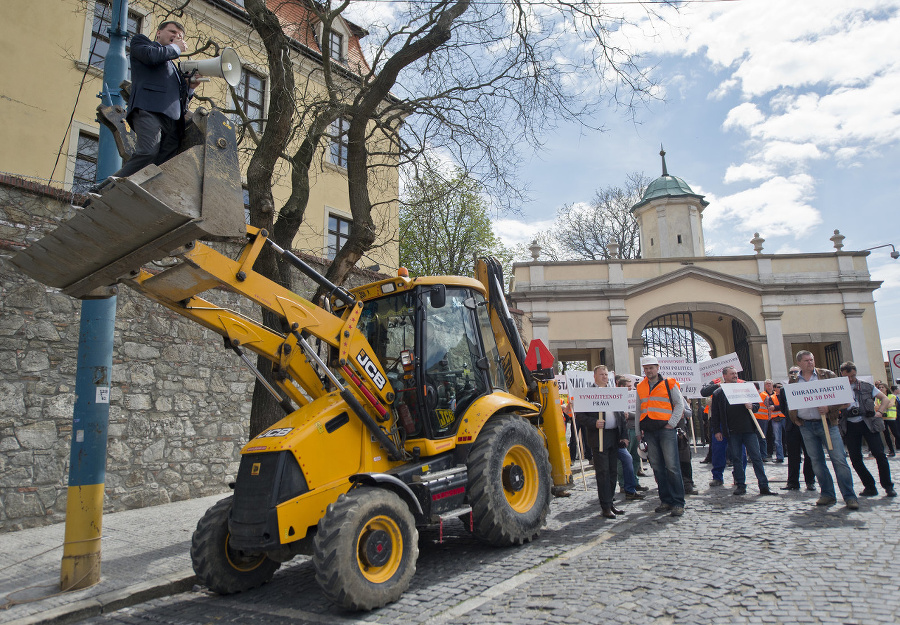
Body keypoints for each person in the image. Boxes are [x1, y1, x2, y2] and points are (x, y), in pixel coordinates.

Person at [103, 21, 200, 184]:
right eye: (173, 32)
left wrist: (190, 88)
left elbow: (181, 100)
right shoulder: (142, 43)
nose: (177, 36)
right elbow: (151, 56)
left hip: (173, 121)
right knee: (148, 152)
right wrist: (175, 49)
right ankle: (108, 188)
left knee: (162, 166)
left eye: (181, 36)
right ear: (159, 33)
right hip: (149, 109)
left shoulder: (174, 68)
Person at [788, 351, 858, 510]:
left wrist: (829, 407)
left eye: (811, 359)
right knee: (817, 462)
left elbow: (845, 400)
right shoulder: (793, 380)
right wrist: (795, 419)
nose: (810, 362)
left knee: (839, 460)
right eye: (806, 360)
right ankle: (827, 494)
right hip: (806, 425)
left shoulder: (827, 375)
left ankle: (849, 496)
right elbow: (792, 402)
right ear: (799, 363)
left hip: (827, 424)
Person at [709, 366, 778, 497]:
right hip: (732, 431)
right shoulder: (719, 393)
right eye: (732, 374)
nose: (735, 375)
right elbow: (716, 414)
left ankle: (763, 486)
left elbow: (757, 406)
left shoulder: (746, 388)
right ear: (725, 376)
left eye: (735, 373)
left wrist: (752, 406)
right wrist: (717, 430)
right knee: (736, 459)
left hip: (749, 430)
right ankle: (740, 485)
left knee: (756, 458)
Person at [575, 366, 629, 519]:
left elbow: (621, 415)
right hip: (599, 437)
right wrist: (594, 422)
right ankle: (605, 506)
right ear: (595, 377)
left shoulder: (615, 392)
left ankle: (611, 502)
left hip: (614, 435)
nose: (605, 377)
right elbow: (580, 416)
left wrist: (624, 435)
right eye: (602, 374)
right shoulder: (588, 393)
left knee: (613, 471)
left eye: (606, 374)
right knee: (603, 472)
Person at [636, 355, 686, 517]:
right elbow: (638, 410)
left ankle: (678, 502)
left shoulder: (669, 383)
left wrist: (671, 423)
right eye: (646, 368)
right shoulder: (641, 386)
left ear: (657, 368)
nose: (648, 371)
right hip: (649, 430)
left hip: (666, 429)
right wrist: (638, 431)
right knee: (657, 467)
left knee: (672, 466)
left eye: (651, 368)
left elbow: (680, 404)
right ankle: (665, 500)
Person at [838, 362, 896, 498]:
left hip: (867, 422)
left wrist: (880, 412)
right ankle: (869, 486)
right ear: (842, 374)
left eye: (852, 376)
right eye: (847, 376)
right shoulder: (839, 388)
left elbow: (885, 399)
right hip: (850, 425)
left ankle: (888, 486)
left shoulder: (866, 386)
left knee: (880, 454)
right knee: (855, 458)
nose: (850, 379)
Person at [782, 367, 816, 491]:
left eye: (796, 372)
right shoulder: (783, 390)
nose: (793, 374)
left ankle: (810, 481)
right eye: (791, 372)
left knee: (809, 455)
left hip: (806, 425)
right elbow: (783, 408)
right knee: (793, 456)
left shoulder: (806, 386)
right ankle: (792, 482)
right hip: (792, 427)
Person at [615, 374, 648, 499]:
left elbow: (639, 412)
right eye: (628, 386)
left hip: (636, 429)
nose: (631, 388)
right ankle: (623, 484)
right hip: (626, 431)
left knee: (635, 458)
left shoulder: (635, 396)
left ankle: (634, 482)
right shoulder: (616, 397)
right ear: (622, 386)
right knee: (624, 459)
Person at [762, 379, 786, 463]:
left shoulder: (783, 396)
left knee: (788, 437)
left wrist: (775, 407)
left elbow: (784, 406)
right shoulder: (771, 397)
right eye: (778, 387)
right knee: (777, 439)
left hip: (784, 418)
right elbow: (770, 406)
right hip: (774, 419)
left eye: (780, 387)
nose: (779, 388)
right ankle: (780, 457)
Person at [752, 384, 771, 461]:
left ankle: (763, 455)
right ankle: (754, 455)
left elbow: (768, 407)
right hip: (753, 419)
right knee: (753, 438)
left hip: (762, 419)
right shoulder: (750, 396)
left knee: (762, 437)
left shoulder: (763, 396)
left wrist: (769, 416)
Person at [881, 383, 899, 456]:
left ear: (886, 388)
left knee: (896, 433)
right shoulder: (879, 397)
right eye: (880, 387)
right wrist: (884, 406)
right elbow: (875, 406)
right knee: (886, 435)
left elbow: (890, 404)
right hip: (882, 418)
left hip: (891, 417)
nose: (881, 388)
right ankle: (891, 450)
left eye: (882, 387)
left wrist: (881, 406)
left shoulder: (892, 396)